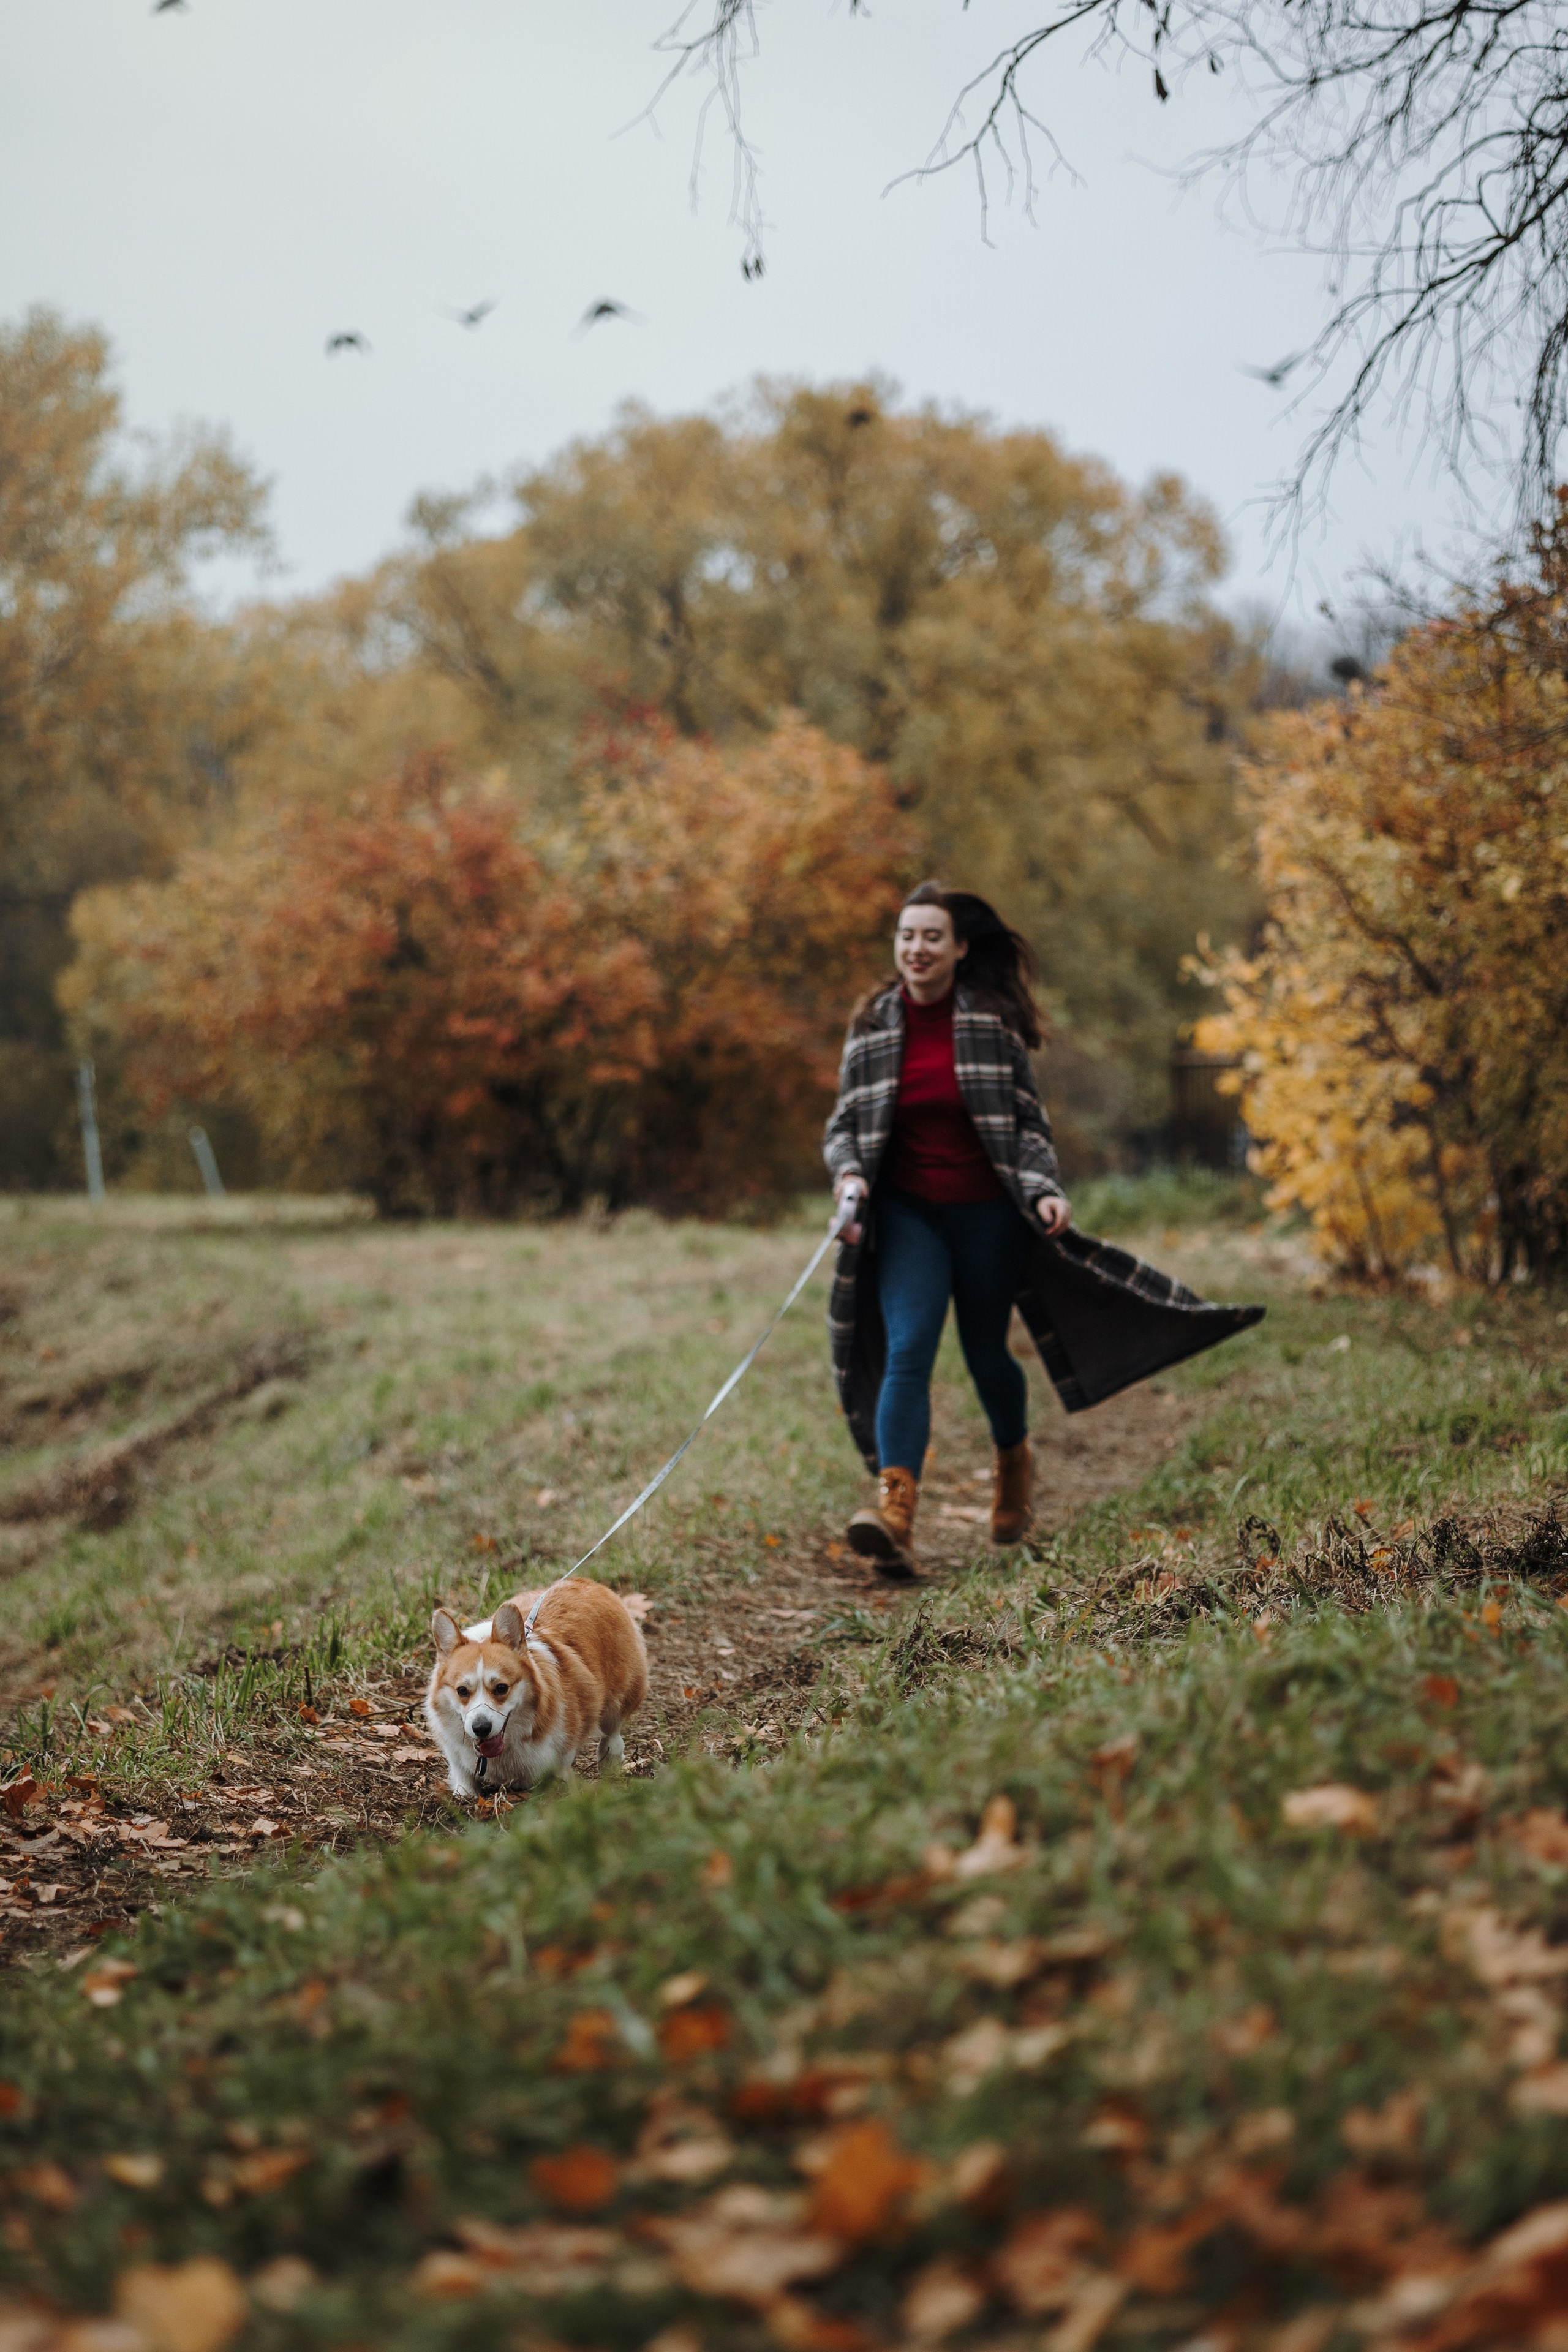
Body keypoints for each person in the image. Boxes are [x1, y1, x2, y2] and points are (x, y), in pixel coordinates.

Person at [823, 883, 1264, 1575]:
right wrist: (850, 1177)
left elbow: (1030, 1126)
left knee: (984, 1352)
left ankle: (1013, 1464)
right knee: (909, 1348)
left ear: (960, 948)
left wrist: (1043, 1190)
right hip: (906, 1213)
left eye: (932, 936)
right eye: (907, 936)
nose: (917, 948)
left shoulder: (989, 1025)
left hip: (986, 1213)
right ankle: (895, 1513)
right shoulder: (874, 1024)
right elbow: (845, 1125)